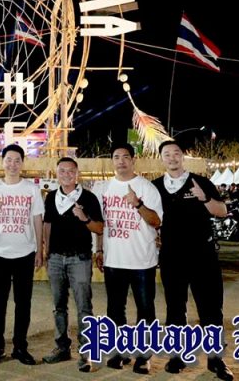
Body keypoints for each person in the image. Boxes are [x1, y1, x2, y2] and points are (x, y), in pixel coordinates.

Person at [153, 140, 234, 381]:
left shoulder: (201, 182)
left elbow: (222, 211)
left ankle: (216, 359)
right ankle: (176, 355)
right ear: (161, 159)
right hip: (172, 256)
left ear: (182, 156)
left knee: (211, 308)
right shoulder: (155, 187)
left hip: (203, 255)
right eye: (167, 154)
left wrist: (204, 199)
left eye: (176, 153)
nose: (172, 158)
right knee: (175, 308)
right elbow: (150, 219)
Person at [96, 143, 162, 374]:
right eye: (116, 157)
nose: (121, 161)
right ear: (112, 161)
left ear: (133, 160)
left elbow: (156, 221)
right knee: (115, 310)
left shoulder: (147, 188)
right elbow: (100, 224)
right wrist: (99, 249)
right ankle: (119, 351)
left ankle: (144, 356)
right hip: (114, 260)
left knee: (145, 310)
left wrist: (137, 204)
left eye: (126, 157)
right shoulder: (103, 188)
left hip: (142, 261)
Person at [0, 144, 44, 366]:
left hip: (25, 253)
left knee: (23, 302)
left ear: (22, 163)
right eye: (9, 159)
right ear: (2, 162)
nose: (13, 164)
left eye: (17, 160)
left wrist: (40, 249)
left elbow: (37, 219)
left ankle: (20, 347)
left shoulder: (31, 189)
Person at [41, 157, 104, 372]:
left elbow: (99, 228)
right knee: (58, 306)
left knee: (84, 307)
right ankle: (62, 347)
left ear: (77, 174)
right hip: (56, 258)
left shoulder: (88, 197)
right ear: (57, 173)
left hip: (80, 258)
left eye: (70, 171)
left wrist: (84, 217)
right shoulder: (52, 197)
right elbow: (47, 224)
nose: (66, 175)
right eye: (62, 171)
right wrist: (46, 250)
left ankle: (86, 353)